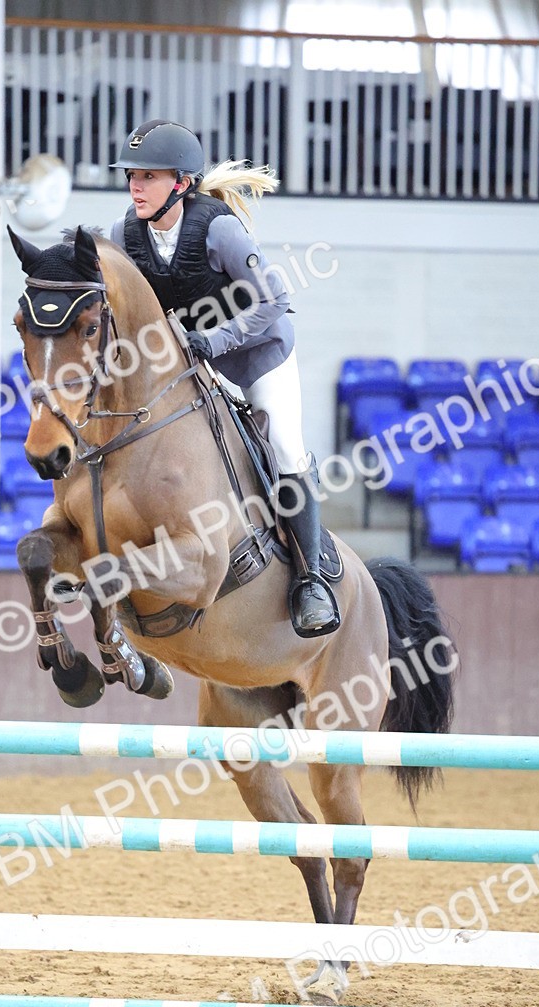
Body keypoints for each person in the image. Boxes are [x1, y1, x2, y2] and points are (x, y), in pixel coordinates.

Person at [109, 118, 338, 638]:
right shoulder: (125, 235)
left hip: (257, 355)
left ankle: (312, 580)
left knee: (284, 447)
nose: (135, 187)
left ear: (181, 183)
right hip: (193, 365)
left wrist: (216, 340)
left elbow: (275, 299)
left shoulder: (219, 230)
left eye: (148, 177)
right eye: (132, 176)